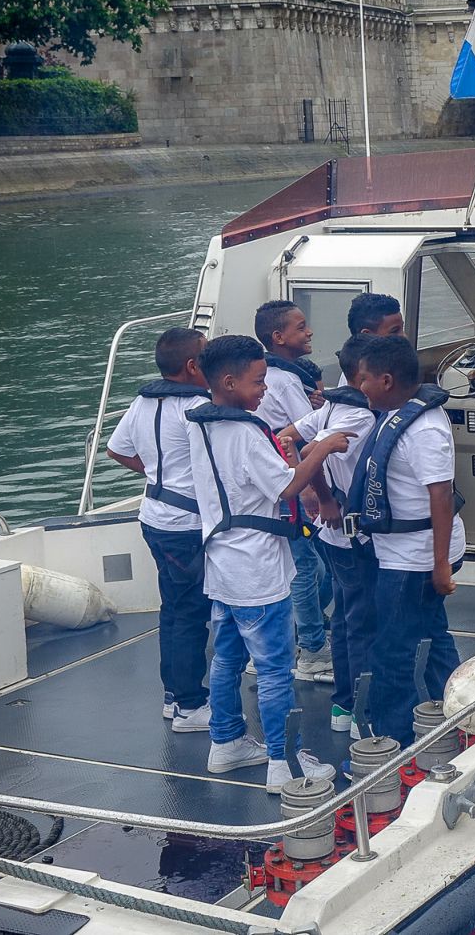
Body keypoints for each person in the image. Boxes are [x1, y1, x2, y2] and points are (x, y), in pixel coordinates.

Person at [186, 334, 353, 792]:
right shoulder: (243, 432)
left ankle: (225, 744)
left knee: (226, 659)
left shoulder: (198, 424)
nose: (264, 389)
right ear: (227, 381)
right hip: (257, 570)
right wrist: (323, 445)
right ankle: (283, 765)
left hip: (221, 564)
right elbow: (286, 486)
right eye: (258, 381)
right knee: (276, 668)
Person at [347, 334, 464, 747]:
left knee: (393, 652)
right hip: (398, 553)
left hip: (414, 561)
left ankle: (391, 741)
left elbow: (441, 496)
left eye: (364, 380)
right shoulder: (397, 414)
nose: (359, 387)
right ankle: (462, 711)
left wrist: (441, 565)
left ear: (387, 380)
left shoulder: (424, 431)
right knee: (433, 637)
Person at [104, 327, 213, 733]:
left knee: (173, 608)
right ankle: (189, 705)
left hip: (154, 516)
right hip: (187, 526)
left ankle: (173, 695)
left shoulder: (143, 400)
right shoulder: (199, 410)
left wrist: (155, 476)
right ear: (192, 366)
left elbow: (116, 449)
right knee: (190, 613)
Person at [287, 334, 379, 740]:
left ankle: (343, 706)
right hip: (349, 535)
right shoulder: (357, 417)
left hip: (330, 537)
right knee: (358, 622)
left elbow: (286, 438)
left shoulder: (328, 408)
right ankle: (356, 711)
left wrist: (310, 489)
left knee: (344, 618)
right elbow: (310, 452)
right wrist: (321, 495)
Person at [252, 299, 333, 685]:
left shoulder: (277, 377)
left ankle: (299, 636)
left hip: (276, 485)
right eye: (301, 327)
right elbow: (310, 433)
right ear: (278, 337)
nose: (310, 331)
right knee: (307, 568)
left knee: (309, 567)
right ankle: (313, 650)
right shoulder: (284, 381)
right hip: (293, 486)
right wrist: (315, 491)